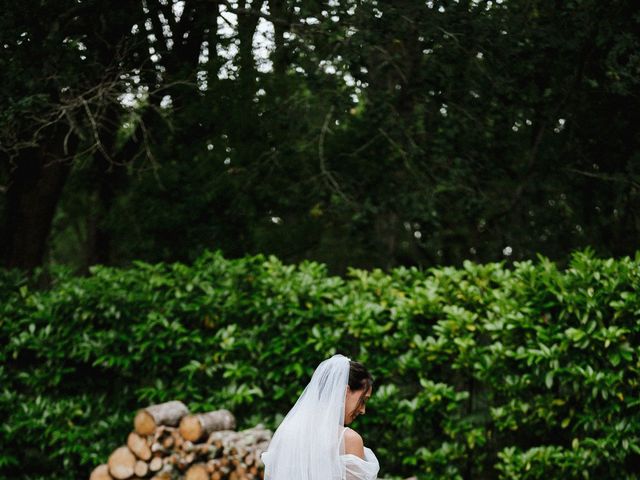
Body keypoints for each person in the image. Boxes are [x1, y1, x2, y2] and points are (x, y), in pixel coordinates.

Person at [261, 354, 379, 480]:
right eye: (363, 400)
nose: (362, 410)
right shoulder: (348, 440)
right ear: (345, 392)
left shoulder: (287, 433)